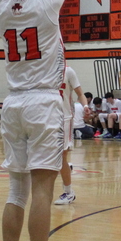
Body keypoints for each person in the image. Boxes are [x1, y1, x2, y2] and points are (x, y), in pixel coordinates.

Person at [0, 0, 108, 241]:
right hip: (44, 104)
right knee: (43, 189)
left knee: (16, 191)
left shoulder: (3, 9)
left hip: (12, 104)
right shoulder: (46, 6)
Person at [54, 66, 87, 206]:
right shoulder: (41, 70)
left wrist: (85, 107)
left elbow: (80, 93)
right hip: (46, 118)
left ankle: (69, 193)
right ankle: (67, 166)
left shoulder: (68, 71)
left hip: (64, 118)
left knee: (61, 156)